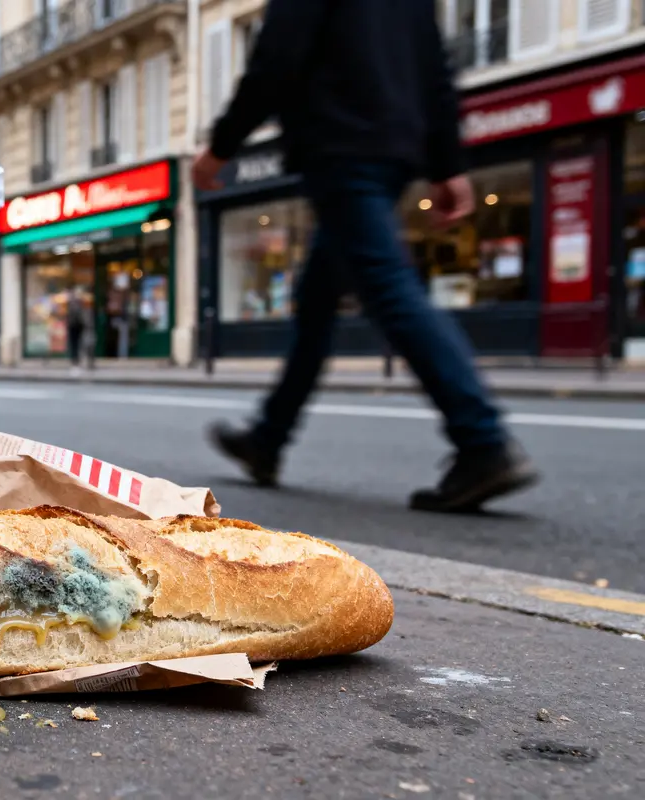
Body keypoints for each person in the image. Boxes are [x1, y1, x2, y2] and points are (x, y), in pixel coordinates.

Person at [192, 0, 538, 512]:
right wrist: (447, 163)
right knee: (317, 300)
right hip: (393, 146)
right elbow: (434, 70)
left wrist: (221, 146)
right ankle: (268, 438)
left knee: (389, 286)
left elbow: (277, 56)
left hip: (340, 142)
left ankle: (482, 440)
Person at [65, 286, 87, 374]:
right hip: (76, 326)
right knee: (76, 344)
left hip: (74, 327)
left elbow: (74, 316)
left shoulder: (73, 303)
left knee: (75, 345)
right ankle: (76, 360)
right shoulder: (78, 303)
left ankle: (75, 361)